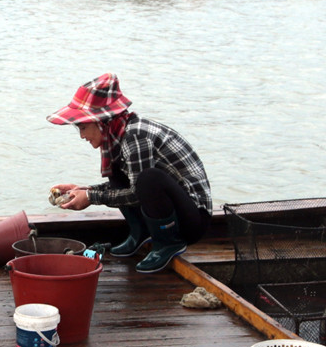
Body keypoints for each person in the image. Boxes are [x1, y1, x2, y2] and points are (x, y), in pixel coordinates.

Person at [47, 73, 211, 274]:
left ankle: (168, 243)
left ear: (102, 122)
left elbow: (137, 192)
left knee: (149, 178)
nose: (82, 135)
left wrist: (91, 197)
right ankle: (140, 233)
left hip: (193, 221)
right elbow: (129, 185)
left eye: (83, 127)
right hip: (174, 209)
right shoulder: (117, 137)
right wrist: (84, 190)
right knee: (117, 171)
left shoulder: (135, 136)